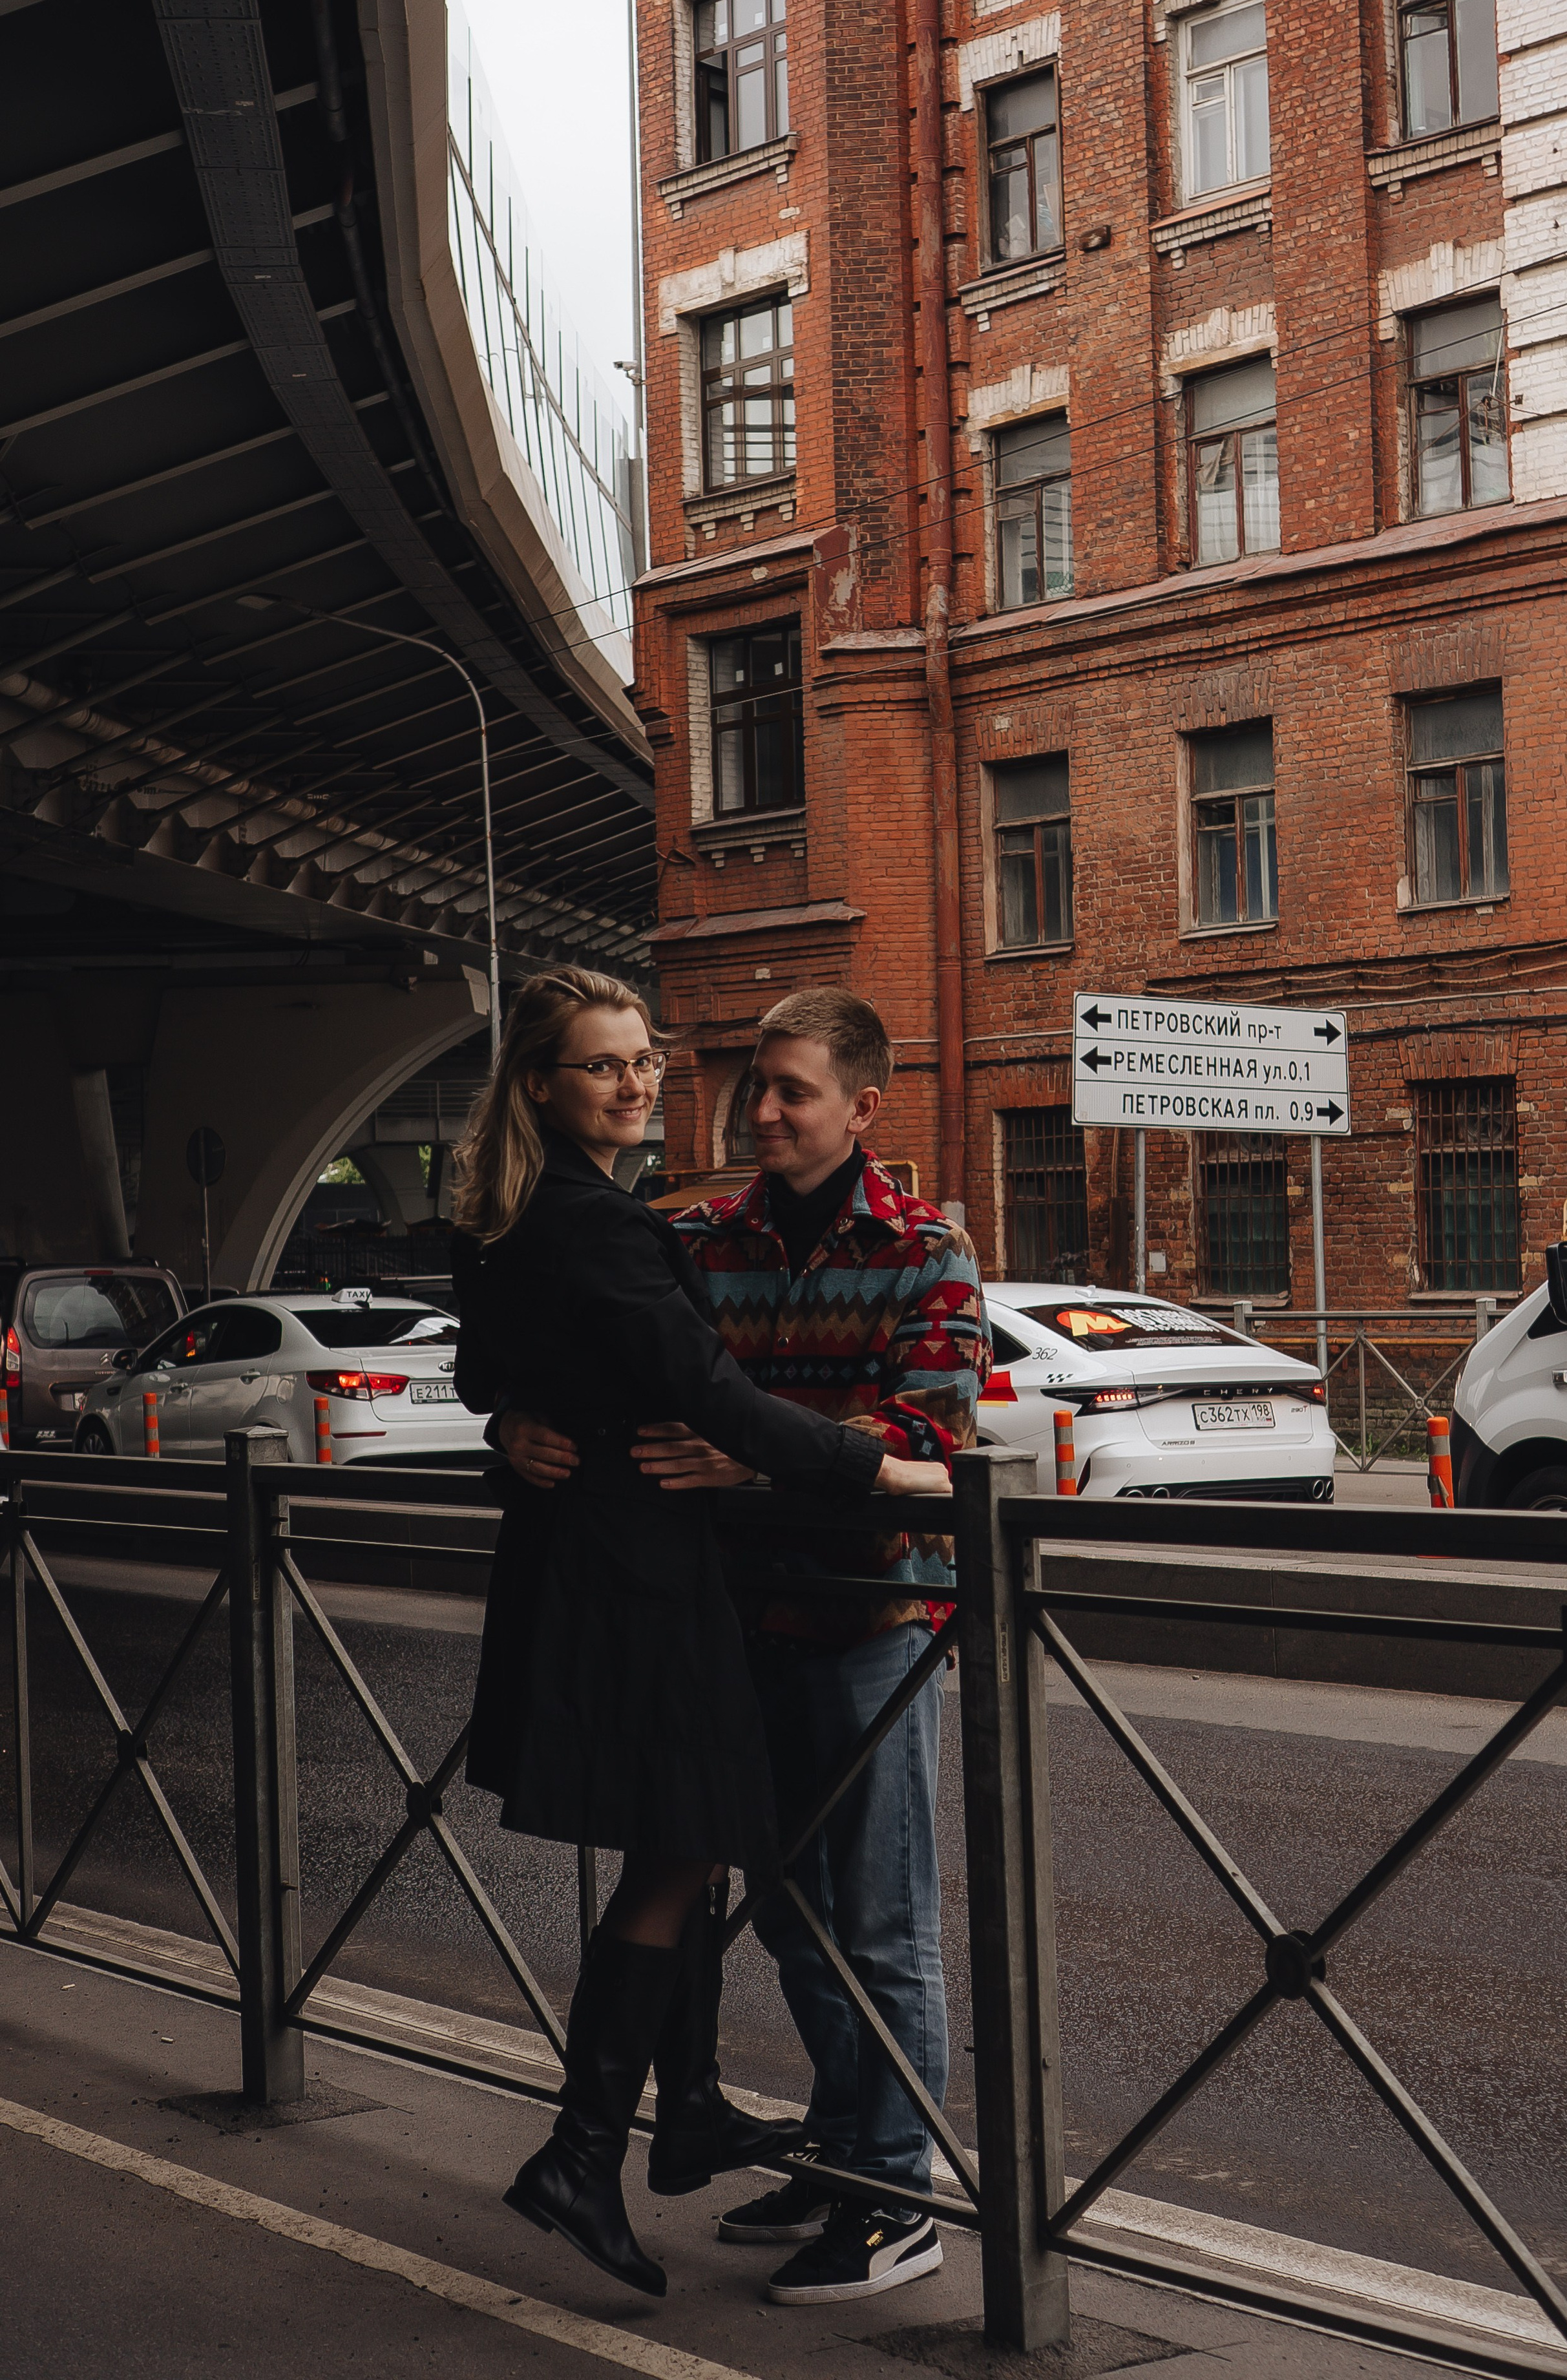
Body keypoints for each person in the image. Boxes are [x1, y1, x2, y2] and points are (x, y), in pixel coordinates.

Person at [450, 970, 949, 2302]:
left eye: (786, 1090)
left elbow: (924, 1425)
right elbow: (620, 1381)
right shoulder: (676, 1229)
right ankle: (731, 2145)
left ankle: (874, 2184)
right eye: (749, 1083)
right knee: (749, 1891)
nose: (747, 1106)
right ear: (545, 1087)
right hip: (705, 1603)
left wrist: (847, 1469)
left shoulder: (920, 1247)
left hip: (857, 1612)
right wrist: (510, 1429)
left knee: (858, 1916)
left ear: (861, 1109)